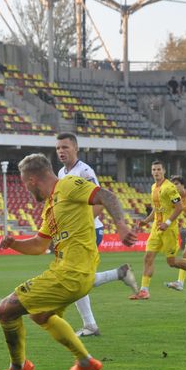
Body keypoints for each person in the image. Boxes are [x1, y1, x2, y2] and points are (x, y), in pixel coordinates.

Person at [0, 153, 137, 370]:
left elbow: (106, 195)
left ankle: (18, 368)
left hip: (71, 274)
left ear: (31, 181)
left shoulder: (69, 184)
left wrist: (121, 226)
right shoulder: (51, 208)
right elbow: (40, 246)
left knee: (6, 309)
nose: (28, 191)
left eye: (25, 185)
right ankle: (84, 360)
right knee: (40, 315)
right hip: (73, 275)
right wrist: (14, 244)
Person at [55, 132, 138, 337]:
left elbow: (100, 201)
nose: (61, 151)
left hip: (88, 231)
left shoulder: (85, 171)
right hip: (75, 233)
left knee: (73, 279)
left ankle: (91, 323)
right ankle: (118, 276)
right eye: (58, 148)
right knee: (74, 279)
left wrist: (79, 224)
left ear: (75, 148)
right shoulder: (61, 173)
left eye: (65, 147)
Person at [130, 160, 186, 300]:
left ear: (164, 171)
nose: (156, 172)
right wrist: (146, 221)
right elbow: (156, 207)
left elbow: (179, 207)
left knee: (171, 262)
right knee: (148, 258)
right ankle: (144, 290)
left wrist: (167, 222)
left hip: (169, 229)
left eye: (159, 169)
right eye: (154, 170)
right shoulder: (154, 187)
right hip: (156, 228)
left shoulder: (170, 187)